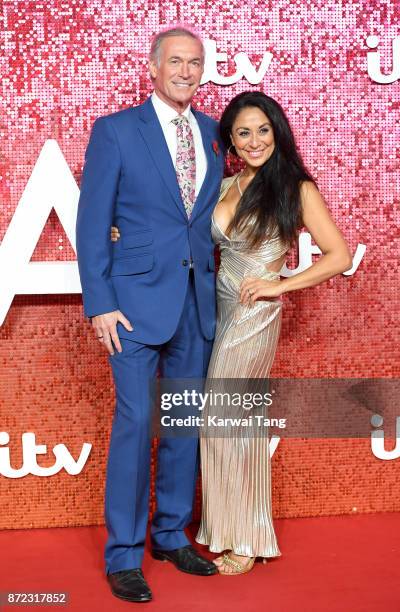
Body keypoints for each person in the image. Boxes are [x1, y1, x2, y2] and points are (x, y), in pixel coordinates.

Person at [76, 27, 225, 603]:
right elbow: (94, 224)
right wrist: (101, 302)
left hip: (196, 303)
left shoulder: (215, 134)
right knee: (137, 425)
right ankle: (123, 554)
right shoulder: (115, 131)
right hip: (132, 306)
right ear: (154, 67)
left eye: (195, 63)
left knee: (184, 423)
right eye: (177, 62)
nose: (187, 71)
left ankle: (169, 534)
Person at [194, 91, 352, 575]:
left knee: (226, 417)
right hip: (218, 312)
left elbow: (339, 256)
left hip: (255, 315)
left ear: (277, 132)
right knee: (229, 422)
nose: (255, 139)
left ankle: (246, 536)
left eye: (263, 129)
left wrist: (278, 284)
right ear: (231, 141)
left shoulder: (296, 187)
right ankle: (226, 528)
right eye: (244, 132)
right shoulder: (223, 186)